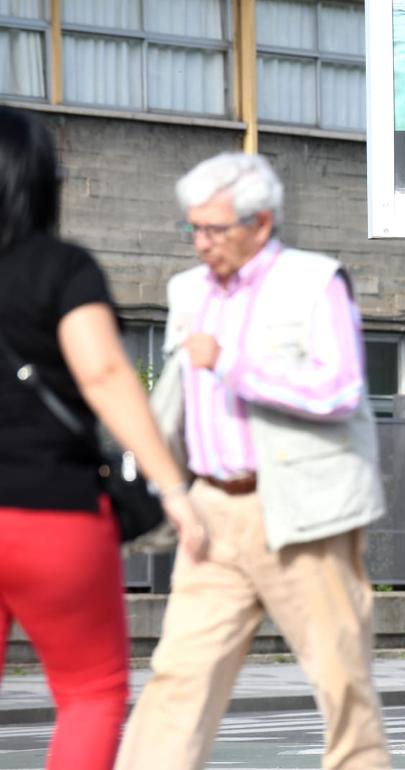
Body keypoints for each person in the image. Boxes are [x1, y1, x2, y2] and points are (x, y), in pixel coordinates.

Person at [117, 152, 391, 770]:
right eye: (193, 228)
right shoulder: (186, 290)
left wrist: (233, 364)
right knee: (177, 677)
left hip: (303, 510)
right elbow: (178, 396)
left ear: (260, 223)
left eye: (214, 229)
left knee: (342, 682)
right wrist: (168, 486)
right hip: (212, 509)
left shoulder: (316, 281)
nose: (201, 243)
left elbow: (340, 388)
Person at [0, 106, 206, 770]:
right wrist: (172, 488)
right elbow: (105, 372)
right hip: (52, 513)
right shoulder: (60, 268)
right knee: (90, 693)